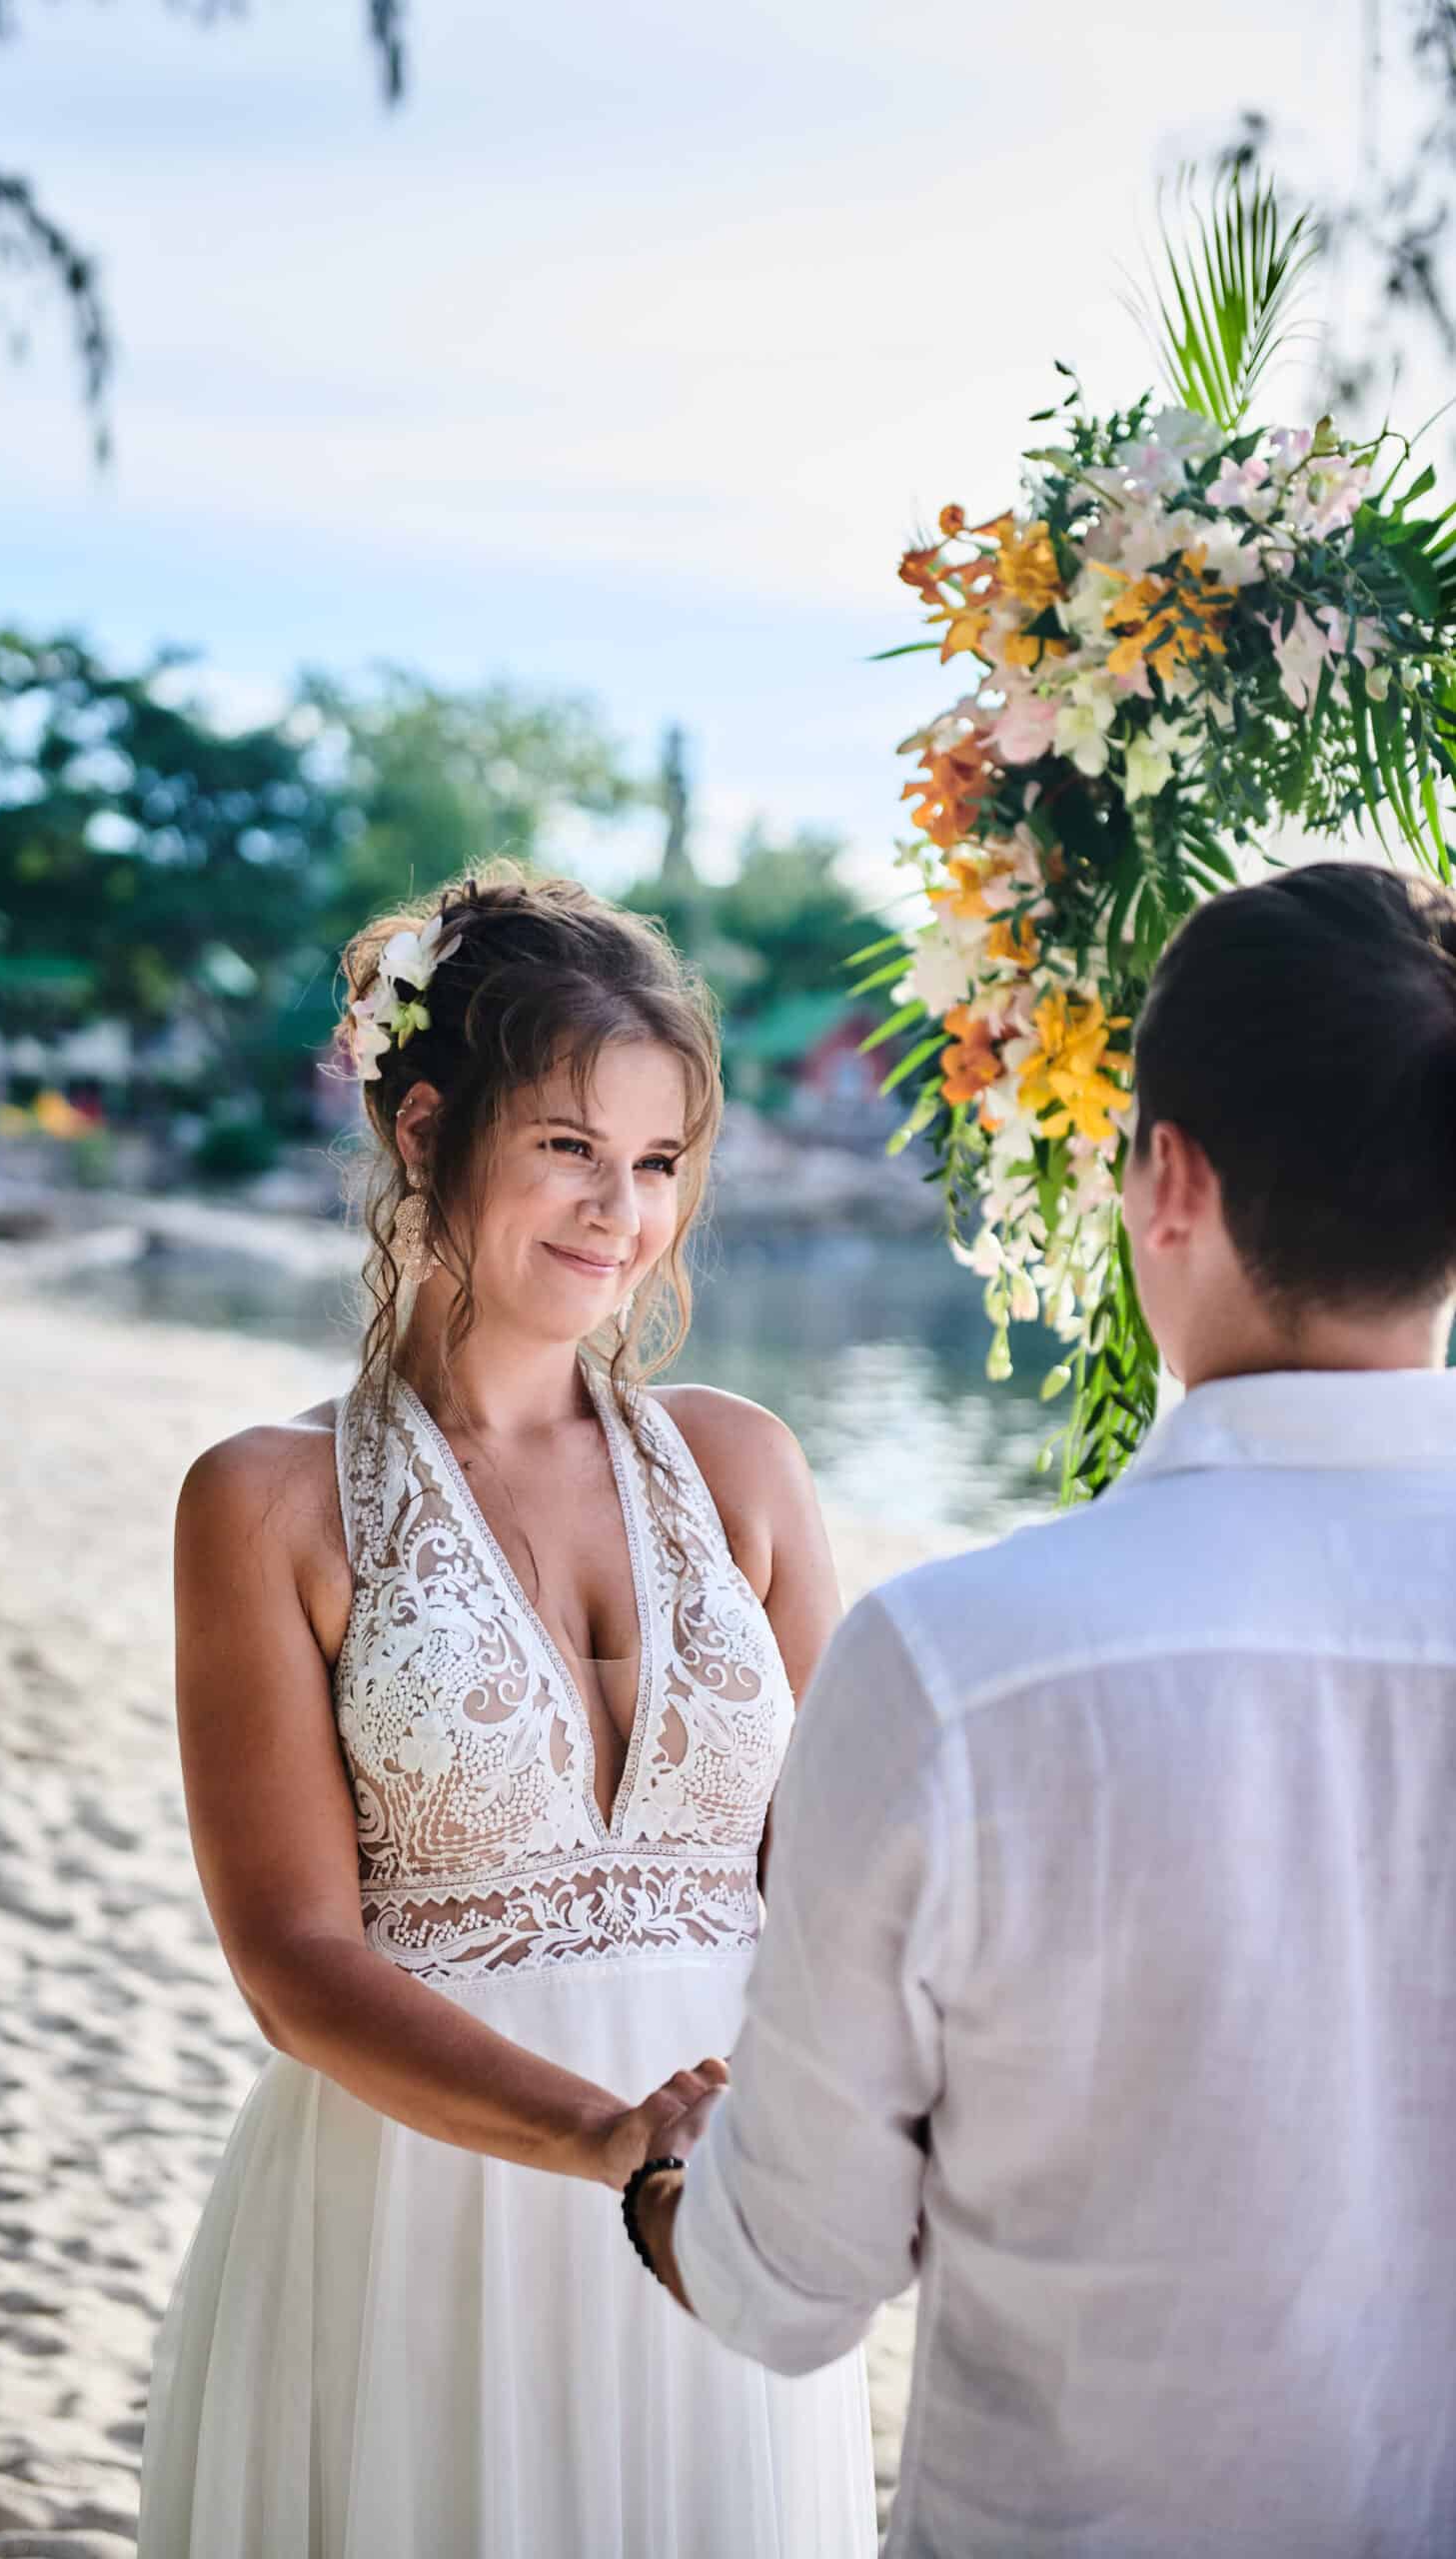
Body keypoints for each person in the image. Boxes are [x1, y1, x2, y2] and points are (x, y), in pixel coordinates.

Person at [625, 860, 1456, 2558]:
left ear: (1170, 1179)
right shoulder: (962, 1672)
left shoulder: (956, 1670)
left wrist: (665, 2186)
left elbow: (790, 2285)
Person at [135, 868, 876, 2557]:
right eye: (569, 1146)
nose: (623, 1209)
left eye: (660, 1162)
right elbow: (293, 1962)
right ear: (423, 1132)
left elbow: (848, 1877)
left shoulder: (746, 1467)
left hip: (728, 2209)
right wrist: (605, 2143)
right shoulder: (265, 1503)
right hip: (418, 2215)